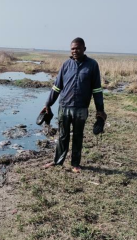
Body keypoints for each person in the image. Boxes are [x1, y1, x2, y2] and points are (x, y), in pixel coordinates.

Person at [42, 37, 106, 173]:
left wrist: (100, 110)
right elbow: (57, 87)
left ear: (84, 49)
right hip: (64, 106)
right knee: (62, 136)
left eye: (77, 48)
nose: (74, 51)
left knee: (78, 136)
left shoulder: (92, 65)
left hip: (81, 108)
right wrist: (48, 103)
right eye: (72, 48)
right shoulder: (66, 65)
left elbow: (97, 90)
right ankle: (57, 161)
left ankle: (75, 164)